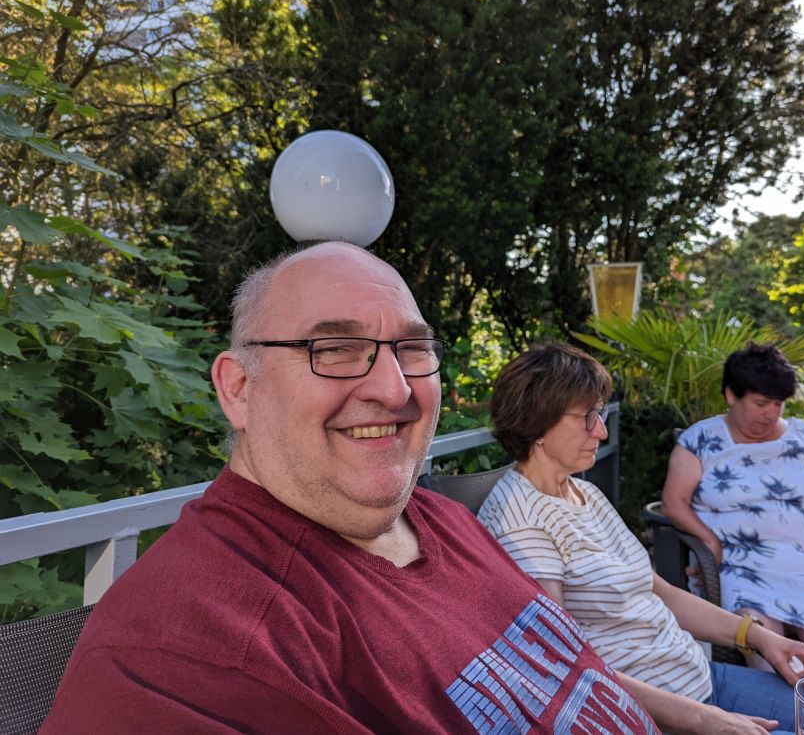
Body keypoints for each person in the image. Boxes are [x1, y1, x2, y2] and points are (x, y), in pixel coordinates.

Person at [43, 242, 658, 733]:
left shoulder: (441, 518)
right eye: (334, 349)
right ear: (239, 388)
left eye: (412, 349)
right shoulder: (180, 655)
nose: (394, 389)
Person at [477, 343, 804, 735]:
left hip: (697, 676)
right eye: (587, 417)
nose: (602, 430)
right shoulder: (521, 520)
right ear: (537, 422)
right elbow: (562, 662)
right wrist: (703, 720)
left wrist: (757, 638)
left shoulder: (583, 493)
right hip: (651, 711)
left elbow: (661, 592)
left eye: (601, 414)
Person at [661, 342, 804, 682]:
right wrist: (709, 540)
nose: (771, 414)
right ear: (731, 395)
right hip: (744, 570)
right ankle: (783, 713)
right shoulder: (701, 440)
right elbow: (674, 501)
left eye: (779, 404)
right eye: (761, 403)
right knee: (771, 655)